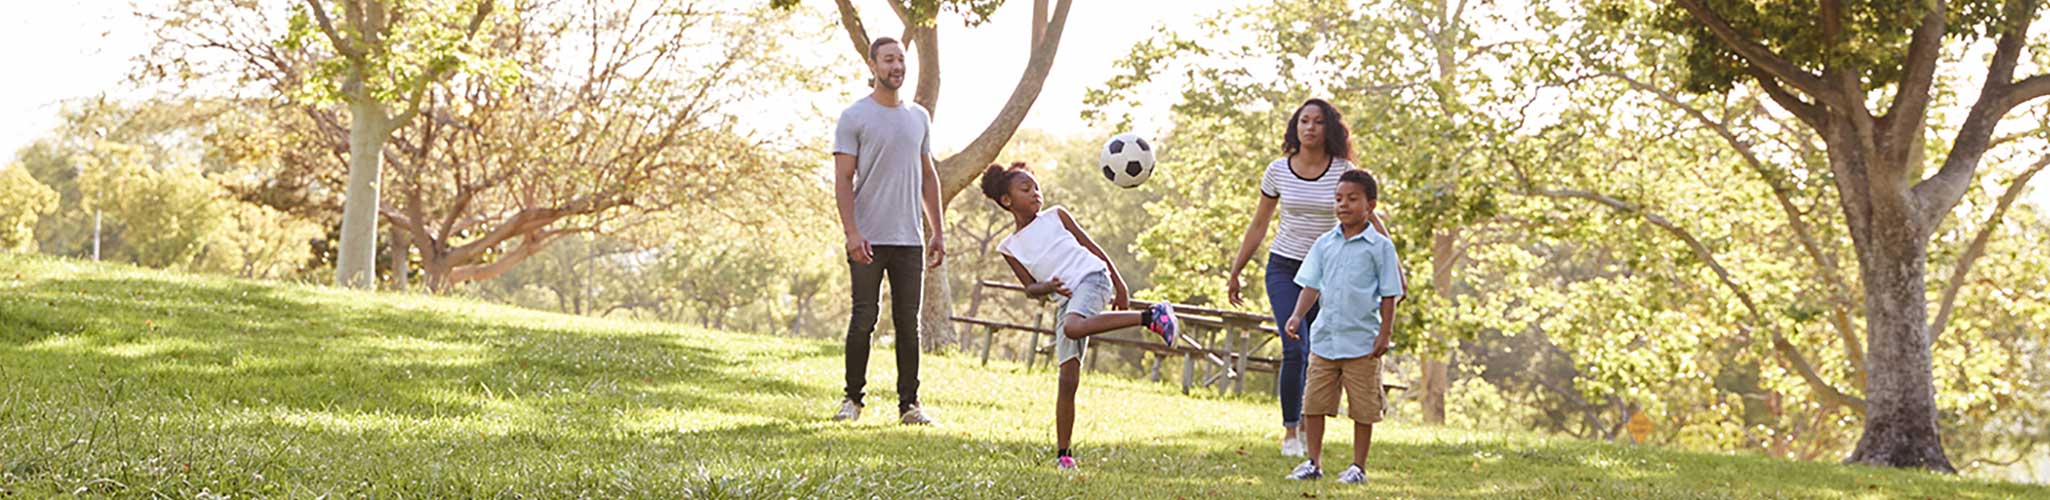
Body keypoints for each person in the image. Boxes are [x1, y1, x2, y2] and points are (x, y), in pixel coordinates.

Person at [1222, 98, 1397, 456]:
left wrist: (1395, 268)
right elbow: (1260, 223)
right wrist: (1237, 269)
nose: (1310, 127)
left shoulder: (1342, 169)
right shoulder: (1278, 171)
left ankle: (1309, 424)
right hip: (1286, 268)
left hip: (1331, 270)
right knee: (1294, 345)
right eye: (1304, 121)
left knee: (1319, 350)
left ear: (1328, 128)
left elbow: (1370, 218)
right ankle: (1291, 431)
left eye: (1318, 122)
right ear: (1295, 127)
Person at [982, 162, 1180, 470]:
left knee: (1074, 328)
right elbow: (1030, 288)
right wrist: (1045, 286)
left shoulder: (1057, 215)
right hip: (1067, 300)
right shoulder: (1009, 247)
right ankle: (1064, 456)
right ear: (1007, 201)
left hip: (1092, 278)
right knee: (1067, 379)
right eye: (1026, 189)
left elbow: (1092, 246)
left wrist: (1119, 282)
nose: (1035, 193)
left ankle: (1151, 316)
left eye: (1036, 187)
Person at [830, 37, 945, 425]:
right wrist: (851, 232)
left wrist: (938, 232)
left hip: (909, 239)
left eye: (901, 59)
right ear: (873, 64)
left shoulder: (919, 118)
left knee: (908, 325)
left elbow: (928, 177)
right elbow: (843, 179)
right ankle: (852, 401)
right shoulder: (854, 117)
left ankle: (909, 406)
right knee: (863, 317)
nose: (897, 66)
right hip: (867, 237)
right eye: (888, 59)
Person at [1281, 169, 1405, 484]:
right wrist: (1296, 315)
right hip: (1325, 341)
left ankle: (1357, 467)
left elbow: (1391, 294)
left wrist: (1385, 335)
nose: (1343, 205)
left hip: (1363, 344)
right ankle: (1313, 462)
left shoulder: (1380, 248)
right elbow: (1311, 285)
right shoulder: (1324, 244)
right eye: (1338, 199)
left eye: (1352, 199)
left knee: (1363, 408)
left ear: (1370, 205)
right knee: (1313, 403)